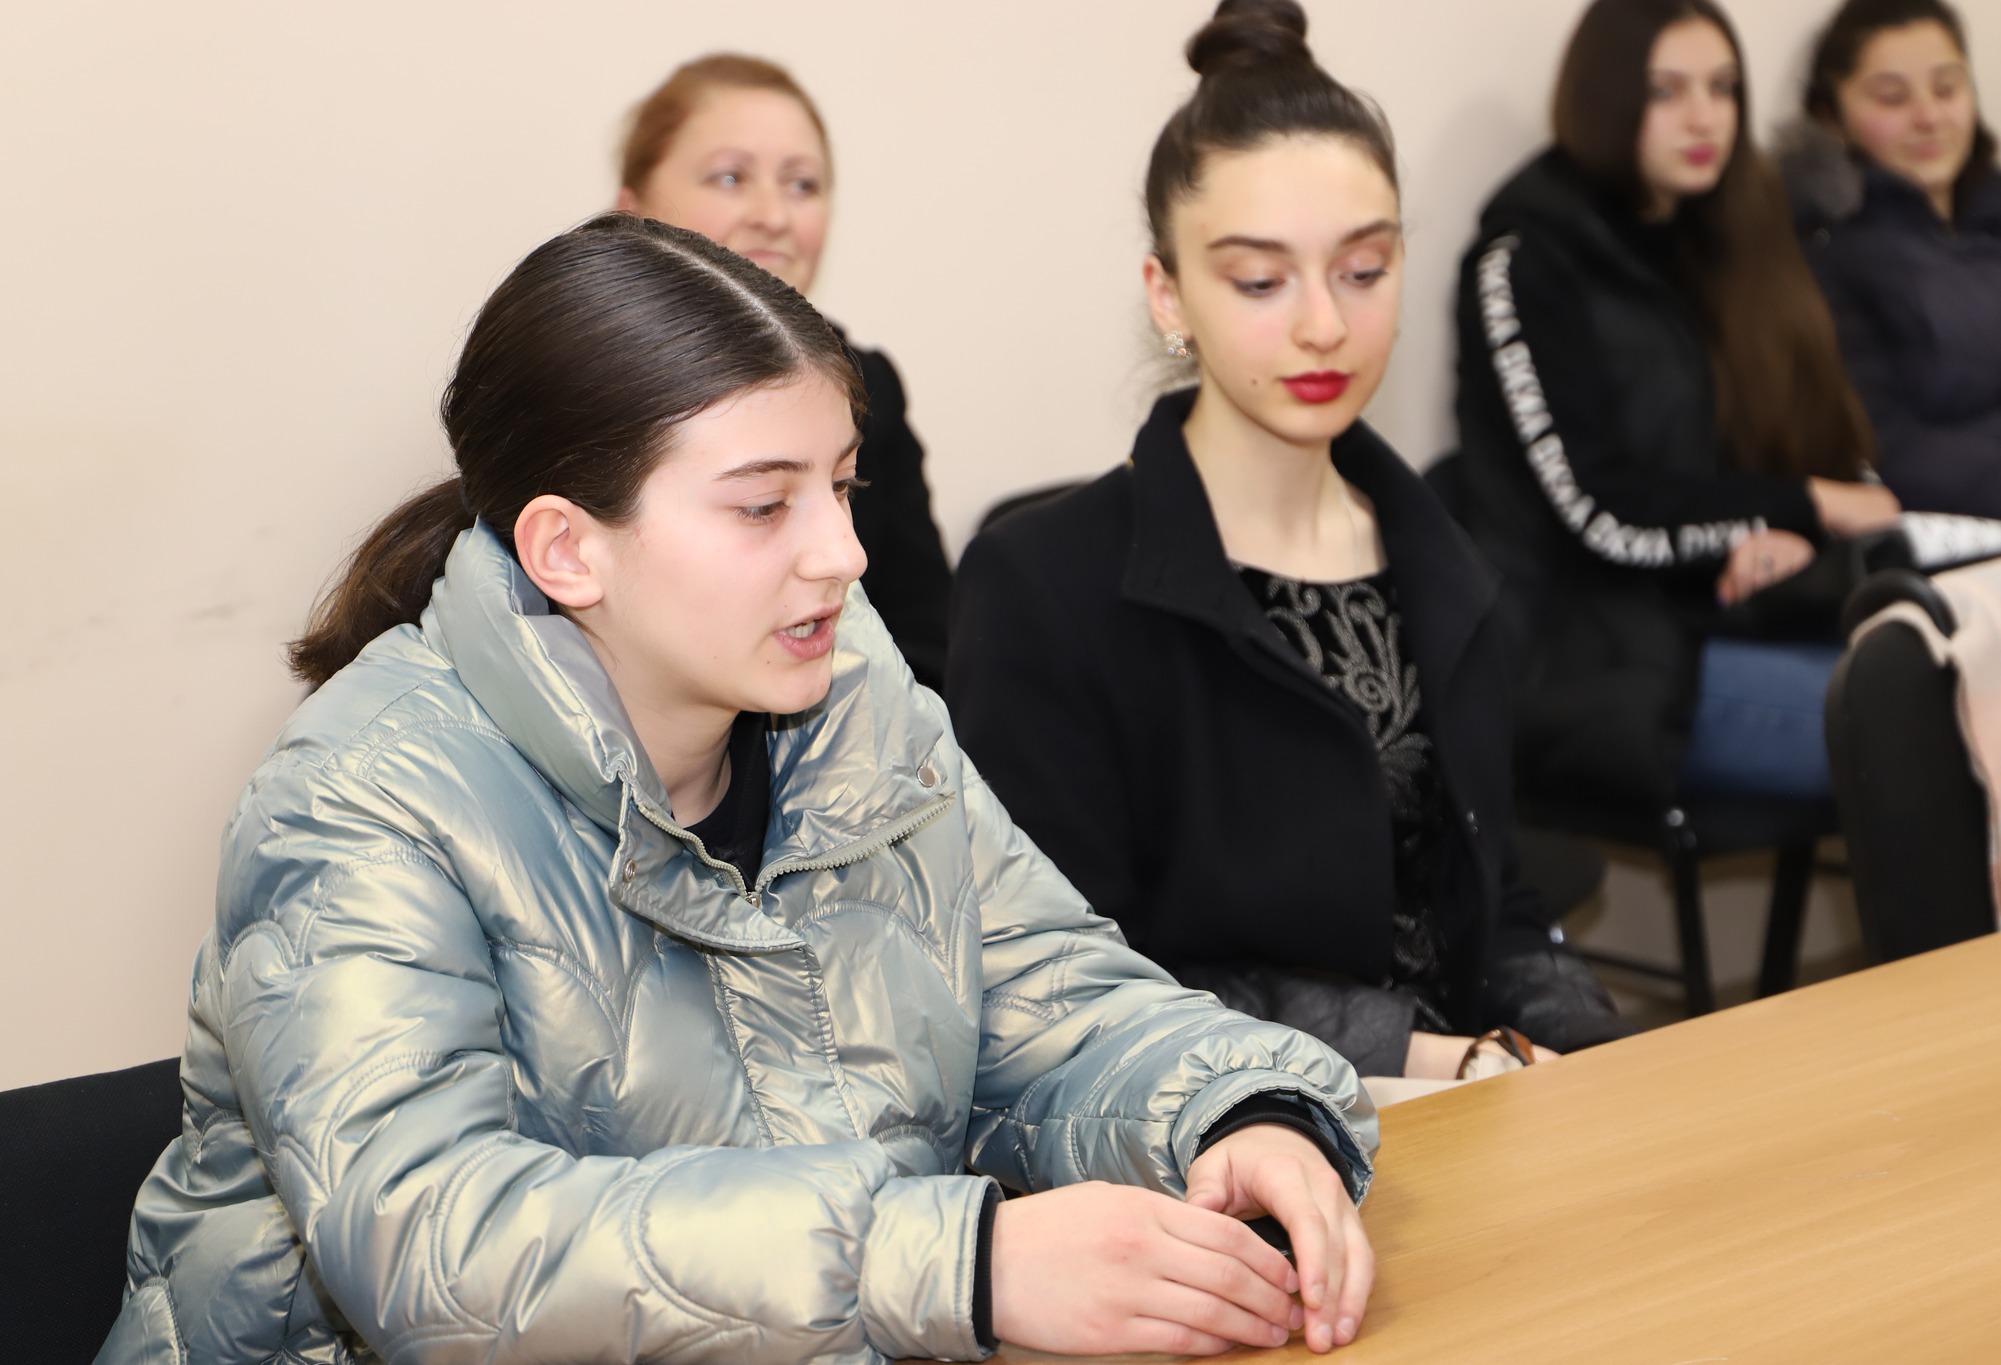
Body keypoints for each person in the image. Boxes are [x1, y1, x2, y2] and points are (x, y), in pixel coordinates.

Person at [97, 215, 1379, 1364]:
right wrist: (959, 1264)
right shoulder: (356, 800)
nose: (843, 553)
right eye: (764, 507)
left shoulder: (860, 704)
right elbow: (439, 1251)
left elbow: (1053, 1000)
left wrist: (1237, 1113)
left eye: (842, 485)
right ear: (566, 549)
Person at [948, 0, 1629, 1095]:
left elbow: (1491, 902)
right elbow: (1064, 986)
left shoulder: (1439, 561)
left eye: (1362, 270)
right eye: (1260, 281)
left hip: (1464, 1103)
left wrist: (1593, 1057)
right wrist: (1429, 1057)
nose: (1323, 326)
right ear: (1168, 294)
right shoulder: (1043, 588)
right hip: (1215, 1130)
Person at [1451, 0, 1901, 811]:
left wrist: (1789, 535)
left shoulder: (1730, 230)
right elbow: (1599, 514)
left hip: (1729, 622)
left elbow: (1815, 439)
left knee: (1983, 681)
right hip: (1592, 661)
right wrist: (1799, 506)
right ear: (1604, 97)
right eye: (1666, 91)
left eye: (1723, 87)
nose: (1705, 118)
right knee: (1931, 728)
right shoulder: (1524, 262)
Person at [617, 54, 955, 690]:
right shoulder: (571, 384)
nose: (773, 215)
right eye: (730, 177)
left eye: (802, 184)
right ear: (633, 209)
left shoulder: (869, 387)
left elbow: (928, 642)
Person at [1781, 0, 2001, 530]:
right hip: (1991, 532)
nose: (1929, 118)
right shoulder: (1828, 259)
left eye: (1946, 89)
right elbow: (1888, 447)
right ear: (1831, 118)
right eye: (1892, 98)